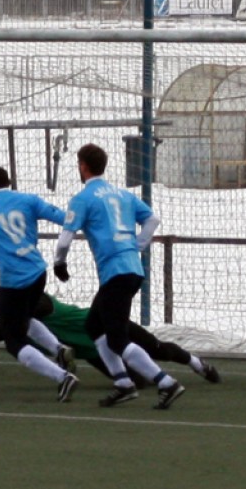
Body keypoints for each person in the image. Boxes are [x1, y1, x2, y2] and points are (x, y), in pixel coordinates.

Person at [52, 142, 184, 409]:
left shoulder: (83, 198)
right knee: (94, 326)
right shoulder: (123, 194)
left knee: (117, 338)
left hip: (116, 273)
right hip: (132, 269)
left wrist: (59, 263)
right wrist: (137, 246)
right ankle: (123, 382)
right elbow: (152, 220)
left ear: (83, 166)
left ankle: (166, 383)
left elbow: (65, 238)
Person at [0, 292, 221, 387]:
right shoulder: (19, 323)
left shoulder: (41, 303)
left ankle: (197, 364)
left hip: (106, 325)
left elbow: (10, 307)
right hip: (93, 353)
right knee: (139, 383)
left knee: (158, 350)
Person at [0, 165, 79, 402]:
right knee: (24, 318)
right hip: (38, 273)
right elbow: (62, 217)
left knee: (14, 341)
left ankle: (63, 378)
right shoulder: (29, 200)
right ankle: (58, 350)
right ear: (10, 183)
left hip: (13, 283)